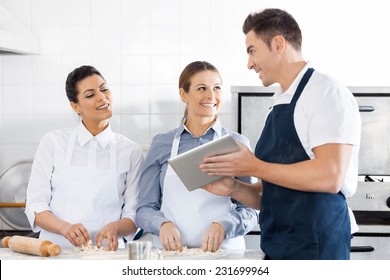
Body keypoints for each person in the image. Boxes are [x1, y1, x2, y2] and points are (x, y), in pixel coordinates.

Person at [199, 8, 361, 260]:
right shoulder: (279, 102)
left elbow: (330, 176)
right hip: (280, 244)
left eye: (252, 51)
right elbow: (275, 192)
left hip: (316, 245)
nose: (249, 63)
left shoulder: (326, 92)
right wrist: (234, 188)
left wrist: (253, 165)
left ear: (278, 44)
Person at [135, 61, 258, 252]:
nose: (211, 96)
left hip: (224, 253)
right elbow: (144, 209)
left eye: (217, 88)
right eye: (202, 88)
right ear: (183, 95)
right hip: (171, 256)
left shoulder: (237, 143)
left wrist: (224, 225)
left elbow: (251, 209)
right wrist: (162, 224)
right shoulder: (162, 144)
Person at [25, 65, 143, 251]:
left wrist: (115, 227)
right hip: (54, 251)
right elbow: (35, 205)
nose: (102, 97)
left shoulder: (130, 150)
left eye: (104, 89)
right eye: (90, 95)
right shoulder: (53, 142)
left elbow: (134, 213)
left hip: (107, 254)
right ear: (75, 106)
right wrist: (65, 228)